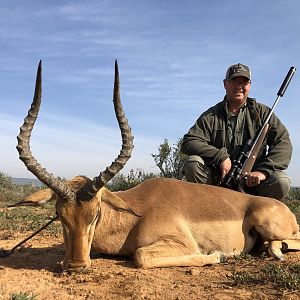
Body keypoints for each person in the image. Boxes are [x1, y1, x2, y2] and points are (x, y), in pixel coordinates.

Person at [181, 63, 292, 200]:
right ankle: (205, 209)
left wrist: (263, 172)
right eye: (234, 81)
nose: (239, 86)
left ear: (249, 85)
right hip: (218, 182)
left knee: (281, 181)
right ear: (225, 84)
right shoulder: (211, 115)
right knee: (193, 163)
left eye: (244, 82)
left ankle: (261, 217)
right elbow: (189, 141)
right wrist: (220, 157)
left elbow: (283, 142)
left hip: (252, 183)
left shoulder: (264, 114)